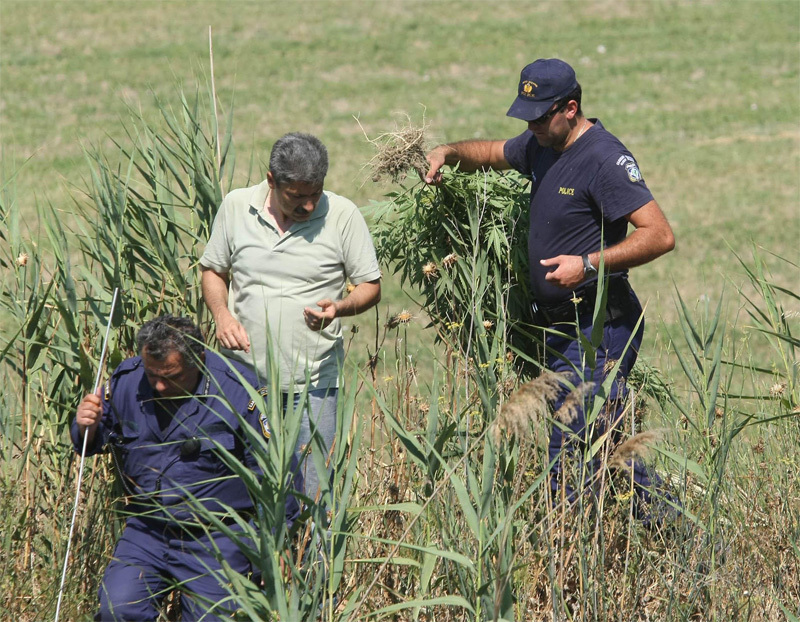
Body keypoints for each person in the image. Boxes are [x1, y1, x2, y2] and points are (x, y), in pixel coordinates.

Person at [424, 58, 676, 518]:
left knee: (568, 446)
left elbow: (659, 235)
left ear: (571, 108)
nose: (532, 125)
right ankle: (678, 535)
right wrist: (448, 152)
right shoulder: (543, 144)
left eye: (540, 116)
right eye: (527, 116)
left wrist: (587, 264)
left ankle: (576, 559)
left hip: (600, 325)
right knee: (606, 450)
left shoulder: (603, 159)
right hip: (560, 331)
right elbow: (495, 152)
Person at [72, 315, 299, 621]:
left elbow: (276, 473)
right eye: (153, 375)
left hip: (218, 536)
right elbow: (93, 442)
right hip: (147, 529)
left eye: (171, 376)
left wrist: (274, 545)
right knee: (118, 608)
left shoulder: (240, 392)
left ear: (199, 360)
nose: (160, 385)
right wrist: (85, 424)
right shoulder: (127, 380)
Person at [200, 132, 382, 502]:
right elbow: (213, 271)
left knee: (315, 496)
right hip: (244, 383)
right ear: (271, 180)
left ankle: (314, 561)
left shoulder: (342, 215)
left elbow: (370, 286)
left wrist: (340, 308)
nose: (309, 206)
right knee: (246, 493)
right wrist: (221, 316)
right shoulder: (236, 207)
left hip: (313, 383)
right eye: (297, 196)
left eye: (315, 193)